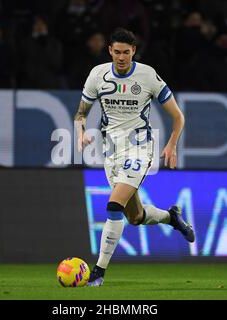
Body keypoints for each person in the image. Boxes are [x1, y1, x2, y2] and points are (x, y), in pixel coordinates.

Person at [74, 28, 195, 287]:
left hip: (140, 148)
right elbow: (80, 113)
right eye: (116, 52)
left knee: (114, 205)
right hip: (111, 151)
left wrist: (172, 145)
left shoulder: (148, 76)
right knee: (135, 216)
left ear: (133, 52)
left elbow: (178, 116)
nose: (121, 57)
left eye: (126, 53)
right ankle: (171, 217)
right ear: (110, 51)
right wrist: (80, 133)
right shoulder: (98, 75)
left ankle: (99, 271)